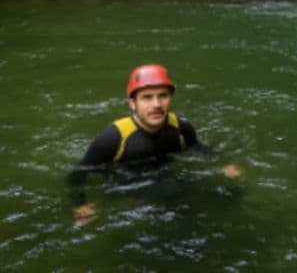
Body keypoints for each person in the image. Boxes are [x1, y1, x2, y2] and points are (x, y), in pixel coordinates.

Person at [68, 63, 242, 226]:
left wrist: (223, 163)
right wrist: (80, 204)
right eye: (147, 98)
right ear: (132, 103)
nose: (156, 104)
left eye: (163, 96)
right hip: (125, 181)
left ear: (171, 98)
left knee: (229, 194)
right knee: (175, 199)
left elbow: (196, 147)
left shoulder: (181, 128)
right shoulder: (113, 138)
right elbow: (78, 173)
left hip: (164, 174)